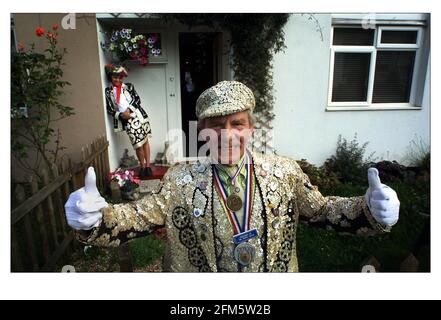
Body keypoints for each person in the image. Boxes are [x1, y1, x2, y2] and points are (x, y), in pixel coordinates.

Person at [65, 80, 400, 272]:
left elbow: (325, 213)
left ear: (251, 129)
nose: (227, 135)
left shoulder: (285, 174)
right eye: (215, 126)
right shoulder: (180, 181)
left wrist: (369, 209)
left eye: (237, 124)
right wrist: (95, 218)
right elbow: (135, 220)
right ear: (202, 131)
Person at [104, 64, 153, 178]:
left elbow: (137, 99)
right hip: (127, 121)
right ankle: (142, 166)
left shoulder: (129, 87)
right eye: (115, 77)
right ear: (111, 77)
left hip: (139, 116)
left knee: (144, 141)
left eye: (120, 77)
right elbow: (110, 109)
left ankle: (148, 166)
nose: (118, 79)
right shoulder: (108, 91)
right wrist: (121, 115)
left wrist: (128, 110)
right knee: (137, 144)